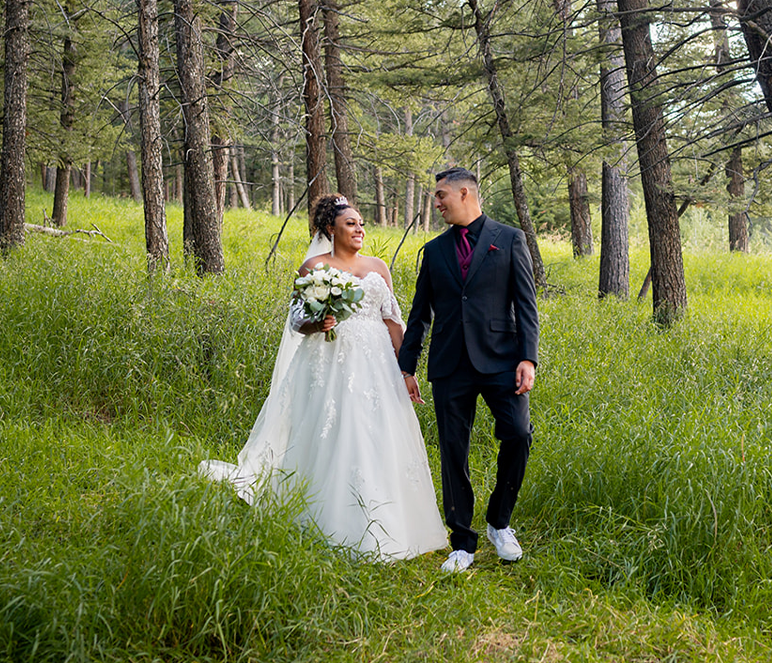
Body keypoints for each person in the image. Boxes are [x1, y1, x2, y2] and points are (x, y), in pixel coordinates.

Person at [200, 195, 448, 561]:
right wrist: (320, 322)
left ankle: (390, 519)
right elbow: (297, 321)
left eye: (361, 223)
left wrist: (406, 370)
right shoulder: (314, 266)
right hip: (330, 361)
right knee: (337, 431)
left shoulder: (378, 266)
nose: (360, 229)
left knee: (379, 432)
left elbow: (394, 321)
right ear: (330, 229)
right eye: (351, 223)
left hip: (377, 363)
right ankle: (329, 518)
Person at [398, 168, 539, 573]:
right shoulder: (434, 249)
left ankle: (499, 521)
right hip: (449, 363)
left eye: (441, 195)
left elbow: (526, 304)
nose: (437, 203)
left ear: (465, 193)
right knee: (453, 451)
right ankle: (462, 541)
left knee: (518, 433)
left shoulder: (509, 239)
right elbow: (419, 313)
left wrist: (528, 358)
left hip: (502, 358)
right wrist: (407, 365)